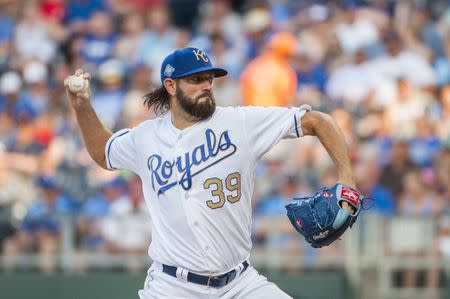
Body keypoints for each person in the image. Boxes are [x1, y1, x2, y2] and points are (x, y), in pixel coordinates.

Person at [64, 47, 356, 299]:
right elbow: (103, 153)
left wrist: (347, 181)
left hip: (240, 284)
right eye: (196, 79)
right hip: (172, 287)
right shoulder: (146, 137)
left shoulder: (240, 122)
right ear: (170, 85)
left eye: (209, 78)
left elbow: (317, 121)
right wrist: (82, 107)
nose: (206, 85)